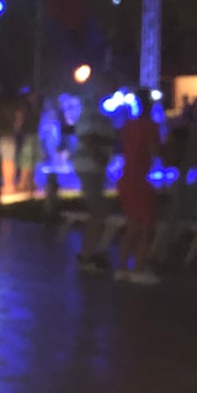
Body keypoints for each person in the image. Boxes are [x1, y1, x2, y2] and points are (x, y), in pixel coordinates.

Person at [115, 92, 162, 285]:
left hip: (126, 178)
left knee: (132, 225)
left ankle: (122, 267)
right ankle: (139, 268)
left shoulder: (128, 125)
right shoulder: (151, 126)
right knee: (147, 227)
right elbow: (154, 151)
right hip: (140, 180)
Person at [72, 82, 117, 272]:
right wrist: (99, 157)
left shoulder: (100, 114)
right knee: (97, 211)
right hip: (91, 166)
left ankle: (94, 251)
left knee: (100, 210)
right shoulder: (91, 113)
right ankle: (87, 255)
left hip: (94, 167)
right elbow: (88, 138)